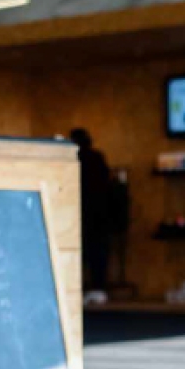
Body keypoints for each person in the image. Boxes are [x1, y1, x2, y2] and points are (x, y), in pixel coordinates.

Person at [69, 127, 112, 305]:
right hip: (100, 214)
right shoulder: (98, 158)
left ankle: (79, 290)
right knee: (98, 254)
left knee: (83, 253)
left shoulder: (76, 160)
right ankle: (98, 289)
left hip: (83, 213)